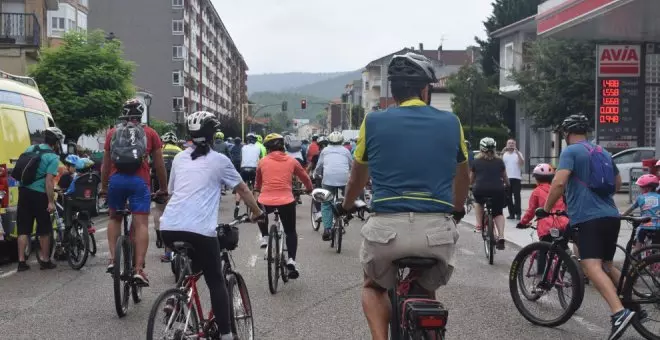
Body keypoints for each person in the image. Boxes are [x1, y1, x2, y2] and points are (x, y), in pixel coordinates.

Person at [339, 52, 469, 340]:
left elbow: (357, 177)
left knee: (373, 286)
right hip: (436, 230)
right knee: (425, 287)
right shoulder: (451, 123)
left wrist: (346, 206)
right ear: (425, 90)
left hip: (387, 229)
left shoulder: (373, 122)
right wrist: (457, 210)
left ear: (393, 91)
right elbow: (463, 176)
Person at [160, 111, 263, 340]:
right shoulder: (220, 160)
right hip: (200, 230)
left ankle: (176, 298)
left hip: (168, 226)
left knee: (193, 268)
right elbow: (243, 190)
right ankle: (226, 335)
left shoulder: (179, 158)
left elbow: (172, 192)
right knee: (215, 279)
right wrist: (257, 213)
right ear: (213, 135)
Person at [539, 114, 631, 340]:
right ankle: (635, 306)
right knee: (608, 265)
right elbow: (617, 183)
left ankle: (619, 313)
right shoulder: (603, 152)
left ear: (567, 134)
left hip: (588, 217)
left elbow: (559, 182)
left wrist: (546, 207)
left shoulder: (570, 151)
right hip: (611, 214)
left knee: (591, 266)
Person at [100, 98, 168, 286]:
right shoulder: (150, 133)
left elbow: (105, 164)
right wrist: (163, 188)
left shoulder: (112, 132)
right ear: (141, 113)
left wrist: (104, 187)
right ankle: (138, 269)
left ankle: (113, 259)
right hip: (140, 182)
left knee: (114, 218)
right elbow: (160, 165)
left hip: (116, 180)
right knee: (141, 224)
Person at [255, 133, 313, 276]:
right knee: (290, 231)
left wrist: (257, 190)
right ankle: (291, 261)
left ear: (267, 148)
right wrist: (309, 188)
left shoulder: (262, 162)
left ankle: (265, 237)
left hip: (266, 200)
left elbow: (257, 183)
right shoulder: (292, 161)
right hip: (286, 200)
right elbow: (305, 177)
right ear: (283, 146)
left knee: (259, 211)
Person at [16, 127, 65, 271]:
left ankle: (21, 262)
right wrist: (50, 201)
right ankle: (45, 260)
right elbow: (49, 181)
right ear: (55, 143)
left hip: (23, 191)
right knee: (44, 229)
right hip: (39, 194)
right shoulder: (53, 157)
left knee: (23, 228)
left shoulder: (30, 148)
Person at [516, 163, 569, 275]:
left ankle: (540, 275)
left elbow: (531, 212)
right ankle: (572, 268)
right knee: (564, 248)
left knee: (543, 251)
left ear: (536, 179)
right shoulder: (558, 190)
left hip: (547, 226)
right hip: (563, 224)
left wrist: (522, 223)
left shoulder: (536, 192)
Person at [471, 137, 509, 249]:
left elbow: (471, 178)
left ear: (481, 149)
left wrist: (470, 185)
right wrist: (508, 185)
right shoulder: (499, 161)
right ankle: (501, 236)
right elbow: (505, 176)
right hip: (497, 190)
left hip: (480, 189)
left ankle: (478, 225)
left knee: (478, 202)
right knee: (498, 213)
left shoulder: (476, 161)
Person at [314, 131, 352, 241]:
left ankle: (327, 229)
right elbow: (352, 165)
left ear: (329, 141)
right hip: (344, 179)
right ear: (341, 141)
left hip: (328, 179)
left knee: (326, 203)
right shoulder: (346, 151)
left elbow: (319, 166)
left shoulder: (325, 151)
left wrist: (316, 174)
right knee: (348, 198)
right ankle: (346, 215)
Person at [152, 131, 183, 262]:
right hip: (175, 186)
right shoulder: (180, 151)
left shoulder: (159, 149)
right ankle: (171, 248)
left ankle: (159, 233)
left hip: (158, 184)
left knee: (159, 210)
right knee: (174, 215)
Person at [622, 174, 660, 252]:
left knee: (638, 244)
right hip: (658, 226)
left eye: (641, 187)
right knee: (657, 247)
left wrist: (622, 215)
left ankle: (635, 259)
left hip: (645, 227)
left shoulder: (641, 198)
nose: (640, 189)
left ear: (646, 188)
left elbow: (630, 209)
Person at [234, 133, 261, 218]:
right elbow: (259, 158)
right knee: (256, 188)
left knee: (240, 187)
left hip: (244, 169)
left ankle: (237, 205)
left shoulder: (243, 148)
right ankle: (255, 206)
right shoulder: (258, 148)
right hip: (253, 169)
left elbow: (242, 158)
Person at [502, 139, 524, 220]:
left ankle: (518, 213)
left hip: (516, 178)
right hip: (507, 178)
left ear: (515, 144)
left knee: (517, 196)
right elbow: (500, 164)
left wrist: (517, 152)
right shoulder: (504, 154)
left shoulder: (518, 154)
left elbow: (522, 163)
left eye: (512, 143)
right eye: (509, 143)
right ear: (506, 145)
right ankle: (511, 214)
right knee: (508, 197)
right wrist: (502, 152)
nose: (511, 144)